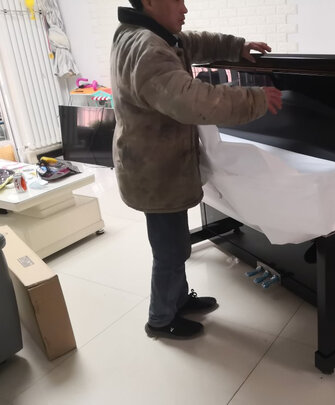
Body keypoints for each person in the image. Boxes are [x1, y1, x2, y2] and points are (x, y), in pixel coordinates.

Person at [110, 0, 282, 339]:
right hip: (155, 173)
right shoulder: (147, 49)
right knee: (171, 251)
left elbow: (191, 41)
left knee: (173, 246)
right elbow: (193, 101)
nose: (184, 8)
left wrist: (236, 46)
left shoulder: (145, 34)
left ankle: (177, 301)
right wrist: (255, 99)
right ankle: (160, 320)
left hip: (154, 167)